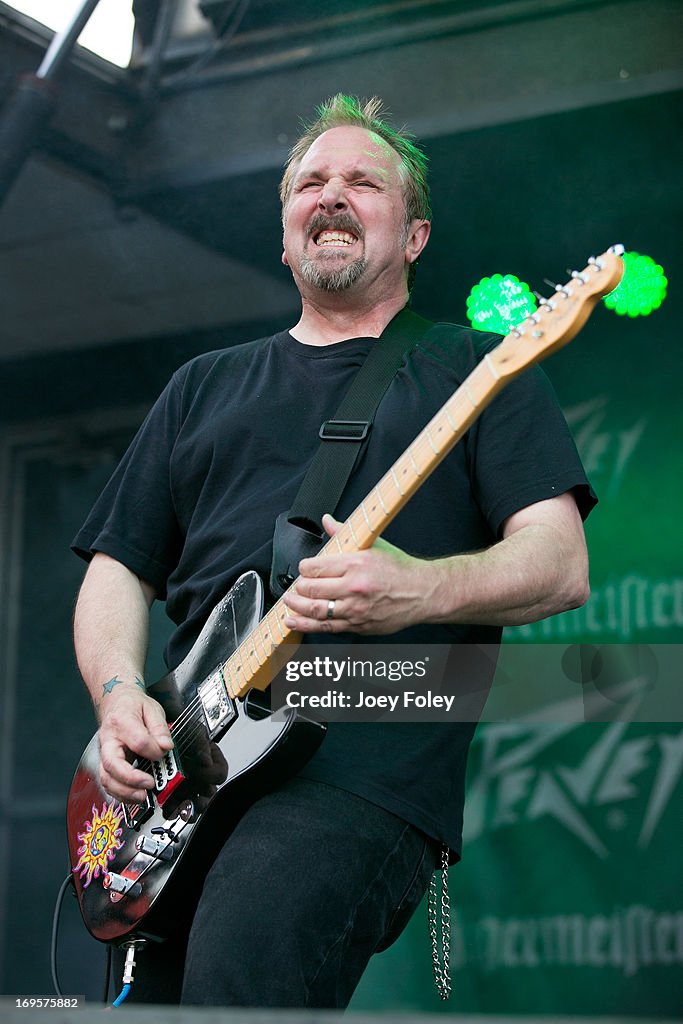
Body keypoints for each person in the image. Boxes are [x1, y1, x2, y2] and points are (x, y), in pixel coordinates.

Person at [71, 94, 594, 1008]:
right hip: (183, 766)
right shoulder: (203, 385)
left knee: (243, 968)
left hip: (364, 754)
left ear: (416, 235)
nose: (333, 194)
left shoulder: (480, 369)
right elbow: (118, 567)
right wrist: (118, 698)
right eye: (311, 182)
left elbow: (559, 563)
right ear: (284, 239)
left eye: (363, 181)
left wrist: (418, 589)